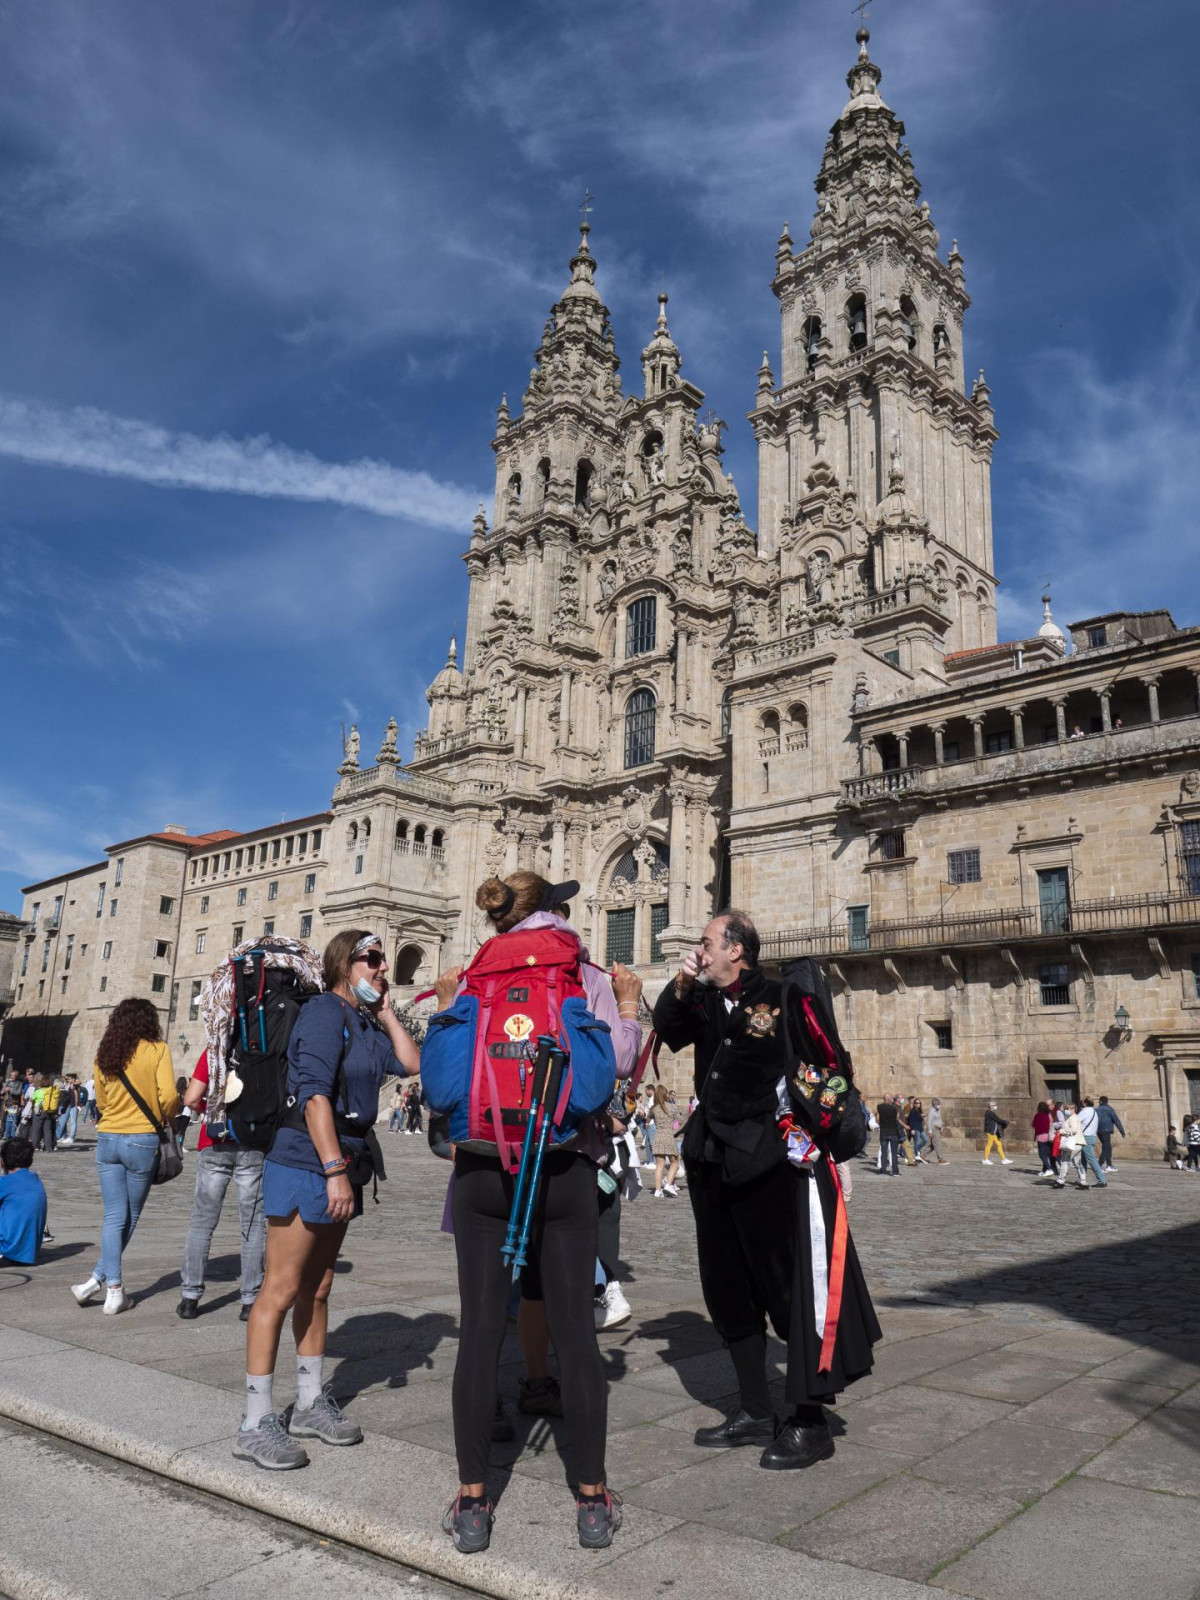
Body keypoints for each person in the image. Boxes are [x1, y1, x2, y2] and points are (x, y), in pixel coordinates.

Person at [430, 872, 640, 1554]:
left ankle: (471, 1501)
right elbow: (614, 1069)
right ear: (551, 911)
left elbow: (444, 1079)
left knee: (480, 1331)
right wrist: (631, 1014)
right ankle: (590, 1498)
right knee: (575, 1337)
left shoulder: (475, 975)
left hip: (483, 1169)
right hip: (564, 1166)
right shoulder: (583, 971)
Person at [653, 910, 880, 1472]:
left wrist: (812, 1137)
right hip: (713, 1164)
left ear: (737, 950)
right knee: (729, 1290)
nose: (699, 950)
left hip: (771, 1167)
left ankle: (809, 1420)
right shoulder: (703, 1001)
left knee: (786, 1290)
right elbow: (668, 1029)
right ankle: (754, 1409)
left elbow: (827, 1069)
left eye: (706, 942)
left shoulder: (782, 997)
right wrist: (681, 981)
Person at [234, 930, 419, 1472]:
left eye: (383, 960)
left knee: (318, 1287)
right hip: (304, 1161)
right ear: (344, 964)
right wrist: (334, 1170)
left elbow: (411, 1064)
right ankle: (254, 1419)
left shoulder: (363, 1021)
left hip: (342, 1162)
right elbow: (313, 1093)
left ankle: (311, 1402)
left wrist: (386, 1012)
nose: (383, 967)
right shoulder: (320, 1013)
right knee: (282, 1287)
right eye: (372, 960)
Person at [71, 999, 181, 1314]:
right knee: (128, 1217)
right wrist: (166, 1118)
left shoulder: (106, 1052)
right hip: (142, 1140)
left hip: (107, 1138)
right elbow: (170, 1096)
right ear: (149, 1021)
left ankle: (97, 1281)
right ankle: (114, 1289)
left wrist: (115, 1115)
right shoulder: (157, 1049)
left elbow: (101, 1099)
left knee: (113, 1216)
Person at [176, 1050, 266, 1322]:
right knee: (252, 1224)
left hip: (214, 1143)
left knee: (202, 1223)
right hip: (252, 1142)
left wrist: (212, 1110)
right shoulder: (262, 1051)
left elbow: (191, 1098)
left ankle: (190, 1297)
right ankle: (250, 1300)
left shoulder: (213, 1052)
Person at [0, 1138, 48, 1265]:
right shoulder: (35, 1179)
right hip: (29, 1253)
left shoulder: (4, 1183)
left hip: (7, 1251)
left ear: (2, 1161)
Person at [651, 1083, 680, 1198]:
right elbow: (680, 1119)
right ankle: (668, 1184)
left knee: (659, 1165)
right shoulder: (671, 1106)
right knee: (675, 1162)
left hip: (658, 1136)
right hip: (668, 1136)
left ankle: (658, 1190)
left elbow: (648, 1118)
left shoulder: (653, 1108)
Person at [1076, 1098, 1108, 1186]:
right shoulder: (1093, 1111)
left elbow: (1076, 1120)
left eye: (1082, 1101)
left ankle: (1102, 1180)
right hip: (1091, 1137)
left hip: (1086, 1137)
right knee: (1083, 1160)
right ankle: (1081, 1178)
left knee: (1092, 1160)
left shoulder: (1085, 1111)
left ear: (1085, 1103)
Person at [1096, 1096, 1125, 1171]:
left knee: (1107, 1147)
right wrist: (1122, 1131)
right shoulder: (1110, 1109)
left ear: (1101, 1101)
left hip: (1098, 1131)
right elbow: (1116, 1120)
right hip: (1106, 1130)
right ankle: (1100, 1164)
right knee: (1106, 1147)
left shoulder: (1096, 1109)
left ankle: (1109, 1164)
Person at [876, 1095, 901, 1176]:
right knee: (894, 1153)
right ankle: (895, 1171)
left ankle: (883, 1171)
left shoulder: (879, 1107)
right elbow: (897, 1118)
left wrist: (881, 1124)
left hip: (883, 1132)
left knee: (884, 1152)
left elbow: (877, 1118)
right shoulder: (894, 1108)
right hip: (893, 1132)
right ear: (889, 1100)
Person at [1032, 1102, 1056, 1177]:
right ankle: (1044, 1170)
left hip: (1041, 1136)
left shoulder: (1038, 1115)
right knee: (1047, 1154)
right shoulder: (1048, 1115)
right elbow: (1051, 1123)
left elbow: (1034, 1124)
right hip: (1048, 1136)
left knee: (1042, 1155)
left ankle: (1049, 1169)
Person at [56, 1075, 81, 1146]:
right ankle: (64, 1136)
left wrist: (76, 1105)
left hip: (73, 1106)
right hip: (70, 1105)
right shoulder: (70, 1085)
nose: (68, 1080)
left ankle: (71, 1137)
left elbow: (78, 1084)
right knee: (66, 1121)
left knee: (73, 1122)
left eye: (70, 1079)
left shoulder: (75, 1085)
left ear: (73, 1079)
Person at [926, 1098, 948, 1164]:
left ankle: (922, 1155)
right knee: (938, 1144)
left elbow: (939, 1119)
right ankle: (940, 1159)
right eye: (937, 1104)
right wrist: (930, 1131)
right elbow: (929, 1121)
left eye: (939, 1104)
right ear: (933, 1104)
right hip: (933, 1129)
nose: (938, 1105)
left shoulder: (937, 1110)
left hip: (938, 1128)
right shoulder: (931, 1110)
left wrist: (941, 1129)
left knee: (933, 1145)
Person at [907, 1098, 926, 1163]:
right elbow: (912, 1121)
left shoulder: (919, 1110)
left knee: (925, 1140)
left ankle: (917, 1149)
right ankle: (916, 1155)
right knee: (916, 1142)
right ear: (914, 1104)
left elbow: (919, 1119)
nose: (918, 1104)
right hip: (915, 1128)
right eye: (917, 1103)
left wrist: (922, 1116)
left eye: (919, 1103)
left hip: (920, 1129)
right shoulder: (913, 1111)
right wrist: (912, 1129)